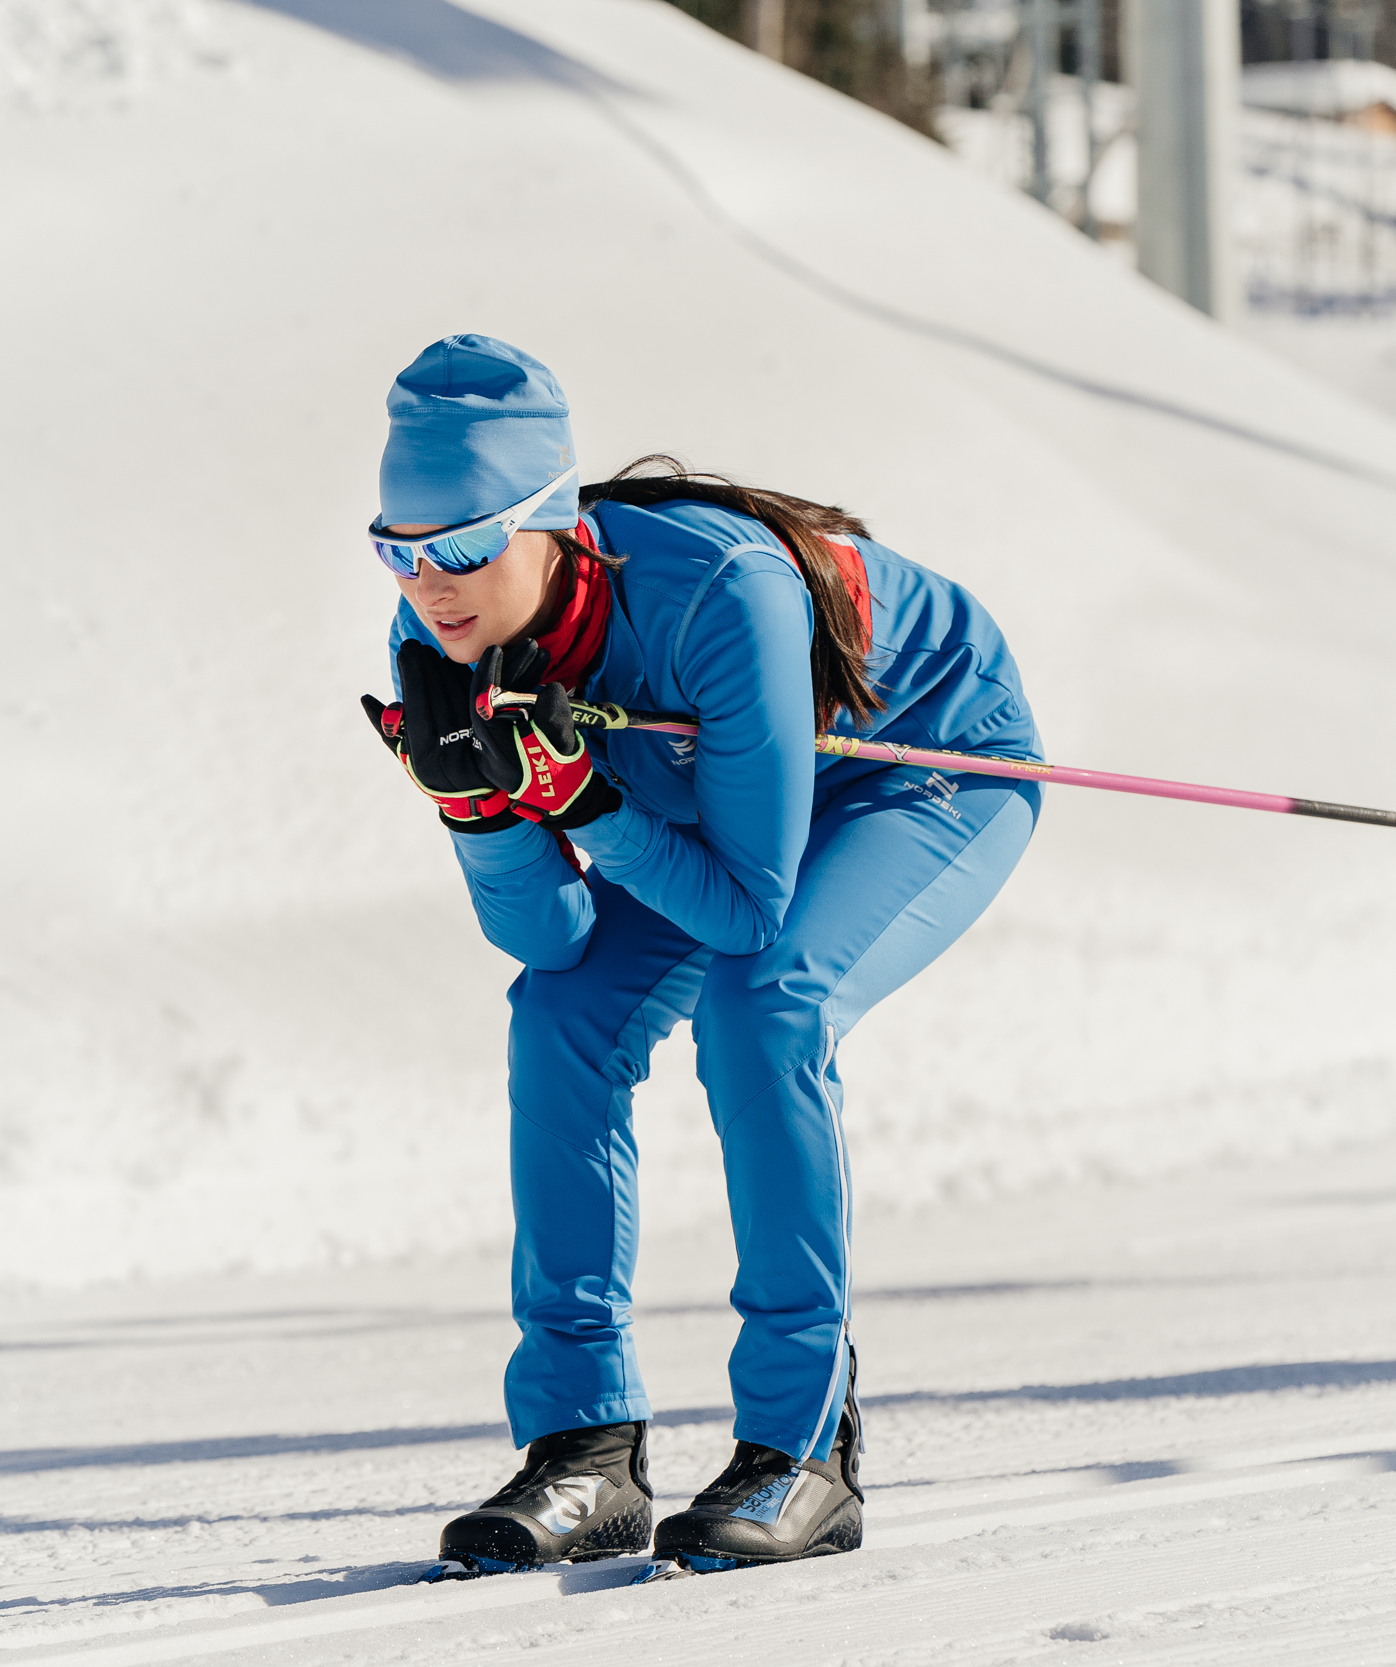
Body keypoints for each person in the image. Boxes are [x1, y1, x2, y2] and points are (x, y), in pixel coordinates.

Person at [362, 334, 1044, 1576]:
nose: (429, 584)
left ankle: (802, 1447)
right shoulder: (445, 635)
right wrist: (485, 813)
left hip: (919, 767)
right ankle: (584, 1449)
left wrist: (585, 806)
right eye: (398, 552)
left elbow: (743, 908)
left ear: (550, 522)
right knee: (558, 1021)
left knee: (766, 1003)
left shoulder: (718, 590)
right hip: (705, 807)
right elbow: (551, 940)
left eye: (460, 546)